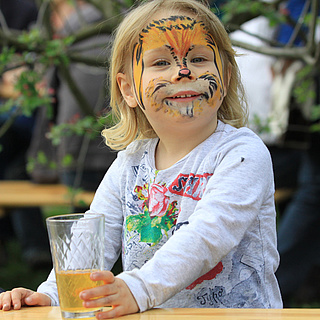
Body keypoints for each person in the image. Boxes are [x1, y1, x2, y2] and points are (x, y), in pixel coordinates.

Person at [0, 0, 283, 317]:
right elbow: (93, 241)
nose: (183, 72)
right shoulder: (130, 163)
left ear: (226, 76)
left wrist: (139, 289)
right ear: (128, 89)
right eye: (161, 62)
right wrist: (52, 294)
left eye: (199, 58)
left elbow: (209, 235)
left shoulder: (242, 153)